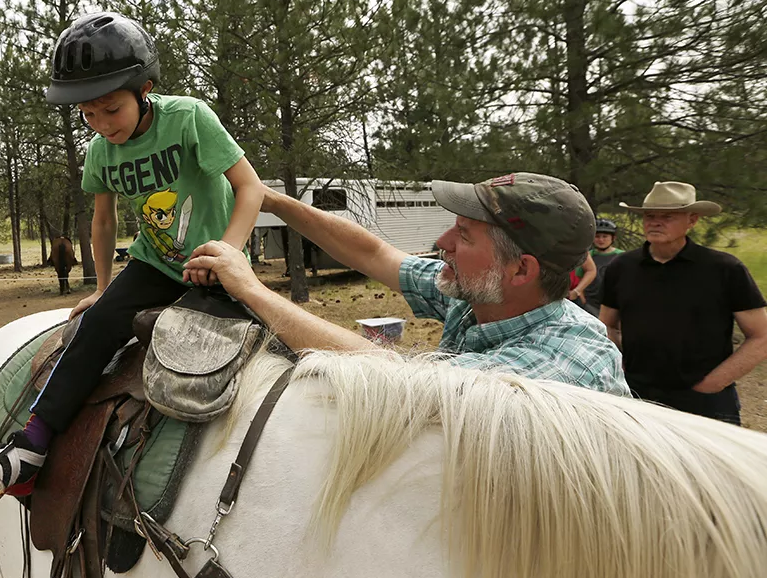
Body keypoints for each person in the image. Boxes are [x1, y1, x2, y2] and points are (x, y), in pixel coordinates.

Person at [0, 12, 265, 502]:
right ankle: (30, 447)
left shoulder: (190, 119)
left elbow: (250, 187)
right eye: (88, 115)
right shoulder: (102, 151)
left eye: (110, 110)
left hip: (213, 264)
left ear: (145, 89)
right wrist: (100, 288)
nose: (101, 124)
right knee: (96, 328)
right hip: (155, 264)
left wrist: (228, 253)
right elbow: (103, 222)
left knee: (254, 341)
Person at [186, 172, 630, 396]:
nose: (441, 243)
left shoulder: (561, 367)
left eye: (464, 236)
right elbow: (375, 255)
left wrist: (253, 289)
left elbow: (396, 379)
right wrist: (273, 200)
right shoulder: (482, 294)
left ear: (521, 270)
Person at [600, 181, 767, 425]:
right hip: (638, 398)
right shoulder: (621, 267)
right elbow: (606, 325)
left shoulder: (724, 269)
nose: (655, 222)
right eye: (649, 215)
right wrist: (620, 366)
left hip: (706, 402)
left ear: (692, 220)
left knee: (710, 464)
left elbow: (761, 335)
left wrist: (714, 383)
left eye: (667, 216)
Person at [581, 218, 623, 316]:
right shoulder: (587, 256)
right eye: (597, 236)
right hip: (590, 304)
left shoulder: (622, 256)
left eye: (605, 236)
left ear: (613, 238)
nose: (601, 240)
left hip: (614, 304)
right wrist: (583, 301)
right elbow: (579, 279)